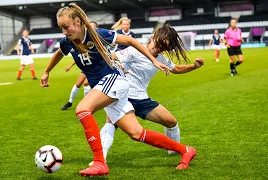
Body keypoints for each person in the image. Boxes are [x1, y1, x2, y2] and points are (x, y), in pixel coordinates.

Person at [40, 4, 196, 177]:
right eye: (61, 27)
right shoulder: (67, 41)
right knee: (136, 133)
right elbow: (59, 53)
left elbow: (129, 40)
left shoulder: (97, 35)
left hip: (114, 80)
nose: (63, 31)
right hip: (108, 86)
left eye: (65, 27)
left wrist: (153, 60)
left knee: (83, 110)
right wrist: (47, 71)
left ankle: (100, 162)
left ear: (77, 22)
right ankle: (186, 150)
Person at [97, 24, 204, 164]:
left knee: (171, 121)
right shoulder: (134, 50)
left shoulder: (160, 58)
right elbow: (112, 57)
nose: (160, 49)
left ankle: (174, 150)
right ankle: (100, 159)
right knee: (111, 123)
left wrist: (194, 66)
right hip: (123, 95)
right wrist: (118, 65)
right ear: (153, 37)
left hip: (141, 98)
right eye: (159, 44)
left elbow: (176, 68)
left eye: (165, 48)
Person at [61, 21, 98, 110]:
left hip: (96, 68)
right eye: (90, 27)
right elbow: (79, 56)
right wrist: (70, 66)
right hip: (85, 68)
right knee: (78, 83)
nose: (91, 29)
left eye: (93, 28)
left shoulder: (97, 41)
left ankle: (86, 103)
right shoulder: (82, 40)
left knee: (86, 83)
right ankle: (70, 102)